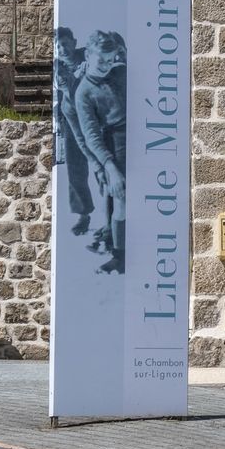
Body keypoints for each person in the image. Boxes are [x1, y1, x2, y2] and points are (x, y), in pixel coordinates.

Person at [76, 31, 127, 274]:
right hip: (114, 147)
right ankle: (119, 256)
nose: (107, 66)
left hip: (142, 138)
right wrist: (109, 167)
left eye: (111, 59)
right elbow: (91, 136)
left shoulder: (121, 72)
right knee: (121, 202)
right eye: (101, 61)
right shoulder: (83, 92)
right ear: (87, 56)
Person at [52, 27, 94, 236]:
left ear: (74, 42)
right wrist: (79, 74)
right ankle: (83, 215)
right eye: (58, 45)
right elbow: (68, 91)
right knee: (76, 167)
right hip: (72, 120)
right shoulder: (58, 69)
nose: (63, 48)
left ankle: (121, 214)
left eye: (66, 43)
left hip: (99, 116)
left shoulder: (87, 53)